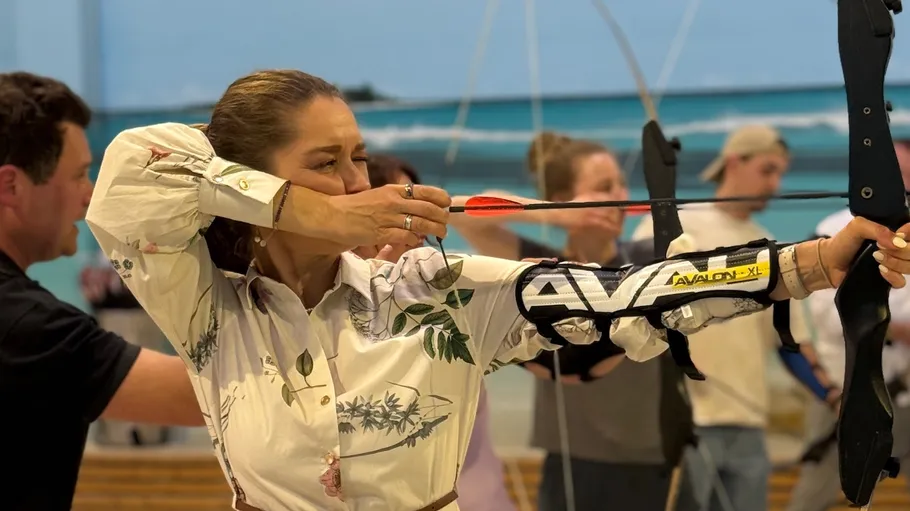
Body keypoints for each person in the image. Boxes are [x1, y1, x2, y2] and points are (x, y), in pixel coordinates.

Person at [86, 68, 910, 511]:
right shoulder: (207, 302)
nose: (357, 180)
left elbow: (627, 292)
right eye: (324, 163)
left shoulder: (433, 288)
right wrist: (312, 214)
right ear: (253, 183)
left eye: (359, 156)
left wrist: (815, 262)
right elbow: (127, 175)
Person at [0, 71, 205, 510]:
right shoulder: (32, 328)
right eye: (78, 175)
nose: (89, 195)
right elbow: (217, 400)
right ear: (11, 186)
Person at [450, 131, 682, 511]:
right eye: (604, 187)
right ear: (564, 198)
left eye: (621, 184)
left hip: (642, 457)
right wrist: (555, 215)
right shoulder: (543, 269)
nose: (619, 196)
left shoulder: (646, 258)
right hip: (566, 454)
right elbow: (461, 212)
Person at [632, 124, 840, 511]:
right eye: (767, 170)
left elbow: (790, 343)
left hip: (749, 425)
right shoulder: (676, 227)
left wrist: (832, 395)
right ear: (734, 162)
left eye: (780, 173)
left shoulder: (770, 245)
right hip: (687, 421)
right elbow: (634, 311)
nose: (775, 183)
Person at [360, 153, 516, 511]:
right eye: (401, 213)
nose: (416, 230)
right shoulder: (333, 312)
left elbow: (460, 209)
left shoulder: (443, 293)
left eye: (418, 214)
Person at [785, 140, 910, 511]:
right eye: (897, 173)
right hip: (852, 390)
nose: (904, 182)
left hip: (906, 391)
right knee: (818, 495)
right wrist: (901, 331)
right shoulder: (835, 231)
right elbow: (833, 314)